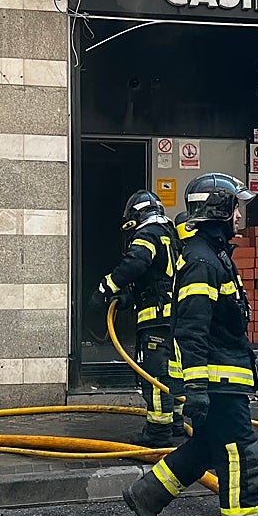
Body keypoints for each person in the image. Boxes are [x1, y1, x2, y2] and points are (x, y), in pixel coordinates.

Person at [122, 173, 258, 516]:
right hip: (216, 384)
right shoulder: (201, 261)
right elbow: (192, 329)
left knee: (204, 449)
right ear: (220, 211)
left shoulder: (213, 255)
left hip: (224, 378)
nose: (240, 214)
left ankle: (147, 494)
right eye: (236, 207)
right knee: (239, 455)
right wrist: (196, 389)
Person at [90, 189, 185, 446]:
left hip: (155, 318)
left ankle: (157, 432)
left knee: (154, 375)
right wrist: (131, 297)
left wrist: (105, 288)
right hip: (173, 318)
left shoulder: (147, 234)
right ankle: (176, 422)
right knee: (172, 373)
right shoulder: (170, 235)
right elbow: (157, 275)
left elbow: (135, 263)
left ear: (137, 214)